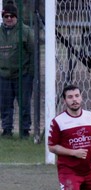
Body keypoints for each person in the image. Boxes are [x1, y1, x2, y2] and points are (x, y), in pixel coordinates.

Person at [0, 3, 35, 137]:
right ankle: (7, 129)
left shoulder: (26, 31)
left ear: (16, 17)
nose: (9, 18)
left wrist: (30, 74)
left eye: (12, 16)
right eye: (6, 16)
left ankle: (25, 130)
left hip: (22, 75)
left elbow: (33, 53)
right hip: (3, 75)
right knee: (5, 104)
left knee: (24, 104)